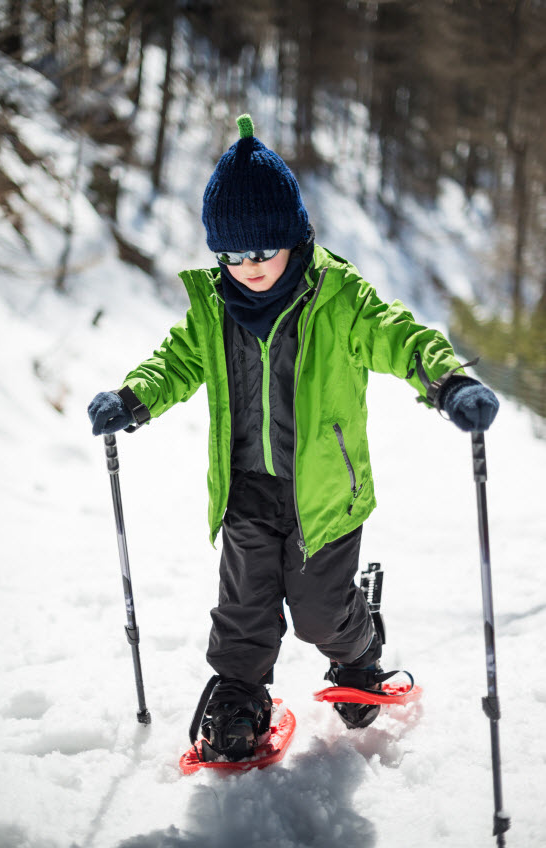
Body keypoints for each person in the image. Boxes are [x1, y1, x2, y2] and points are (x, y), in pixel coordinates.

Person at [88, 114, 499, 762]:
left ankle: (359, 654)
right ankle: (238, 692)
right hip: (247, 489)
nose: (247, 268)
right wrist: (133, 398)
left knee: (319, 612)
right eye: (232, 255)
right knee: (243, 609)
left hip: (326, 494)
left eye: (261, 252)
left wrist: (449, 383)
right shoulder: (215, 310)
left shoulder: (339, 299)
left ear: (294, 237)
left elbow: (400, 335)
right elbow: (176, 361)